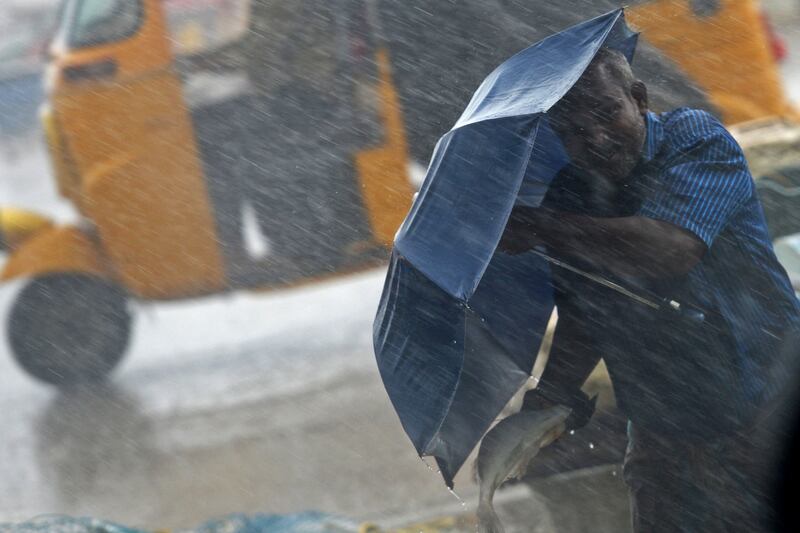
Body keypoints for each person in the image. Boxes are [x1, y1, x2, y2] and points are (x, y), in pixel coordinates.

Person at [499, 47, 800, 532]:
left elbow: (670, 248)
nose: (595, 138)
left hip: (768, 403)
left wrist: (545, 226)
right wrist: (550, 397)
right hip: (664, 430)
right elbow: (584, 311)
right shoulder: (570, 195)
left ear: (638, 99)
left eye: (606, 112)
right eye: (573, 130)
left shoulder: (696, 141)